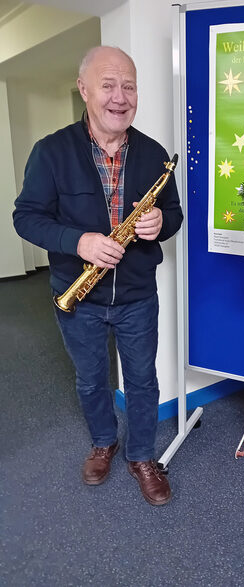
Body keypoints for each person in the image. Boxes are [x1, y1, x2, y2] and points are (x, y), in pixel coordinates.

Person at [13, 46, 183, 506]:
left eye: (128, 85)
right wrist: (79, 241)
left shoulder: (153, 154)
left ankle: (142, 454)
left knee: (143, 381)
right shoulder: (50, 151)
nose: (119, 96)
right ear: (84, 89)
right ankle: (104, 441)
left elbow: (174, 213)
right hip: (77, 295)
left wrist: (160, 225)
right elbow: (26, 218)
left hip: (136, 296)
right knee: (90, 380)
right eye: (108, 85)